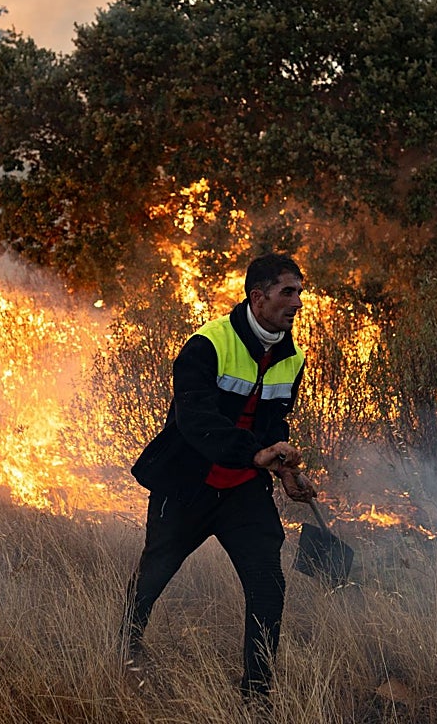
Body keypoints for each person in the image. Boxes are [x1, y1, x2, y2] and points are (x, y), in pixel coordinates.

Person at [122, 252, 316, 700]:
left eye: (300, 293)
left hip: (243, 492)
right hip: (188, 483)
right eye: (288, 292)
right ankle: (124, 650)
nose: (297, 303)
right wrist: (259, 452)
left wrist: (285, 473)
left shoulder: (293, 358)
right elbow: (196, 422)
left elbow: (275, 426)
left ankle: (257, 694)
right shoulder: (206, 345)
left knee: (268, 586)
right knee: (152, 578)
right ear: (258, 297)